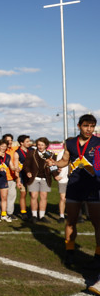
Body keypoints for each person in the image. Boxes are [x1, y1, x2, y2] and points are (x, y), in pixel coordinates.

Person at [47, 114, 100, 269]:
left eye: (92, 126)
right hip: (74, 186)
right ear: (79, 126)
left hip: (93, 186)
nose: (89, 129)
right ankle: (69, 252)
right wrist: (55, 163)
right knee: (71, 221)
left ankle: (98, 255)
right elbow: (65, 160)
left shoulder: (98, 142)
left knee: (97, 223)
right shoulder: (70, 143)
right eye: (86, 126)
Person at [23, 137, 57, 223]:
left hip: (45, 178)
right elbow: (26, 165)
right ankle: (34, 216)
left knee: (43, 197)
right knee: (34, 196)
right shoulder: (32, 153)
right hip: (34, 178)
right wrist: (28, 172)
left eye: (42, 145)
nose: (40, 146)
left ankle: (42, 216)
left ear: (46, 145)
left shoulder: (50, 155)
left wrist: (56, 175)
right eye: (38, 144)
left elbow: (52, 167)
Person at [0, 134, 18, 219]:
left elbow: (12, 166)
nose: (3, 147)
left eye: (5, 146)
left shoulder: (8, 156)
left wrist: (16, 169)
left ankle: (3, 214)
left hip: (3, 179)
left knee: (4, 198)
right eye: (2, 146)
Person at [15, 135, 33, 220]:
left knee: (33, 194)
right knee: (23, 194)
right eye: (27, 141)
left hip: (32, 176)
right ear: (21, 143)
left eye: (29, 141)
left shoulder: (32, 150)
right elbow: (16, 168)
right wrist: (18, 180)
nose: (29, 143)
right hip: (22, 176)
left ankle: (34, 213)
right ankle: (23, 213)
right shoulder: (17, 152)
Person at [55, 149, 69, 224]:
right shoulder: (60, 153)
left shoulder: (76, 153)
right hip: (62, 179)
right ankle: (61, 216)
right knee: (63, 198)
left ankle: (72, 215)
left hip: (73, 179)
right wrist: (57, 172)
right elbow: (56, 165)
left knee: (72, 199)